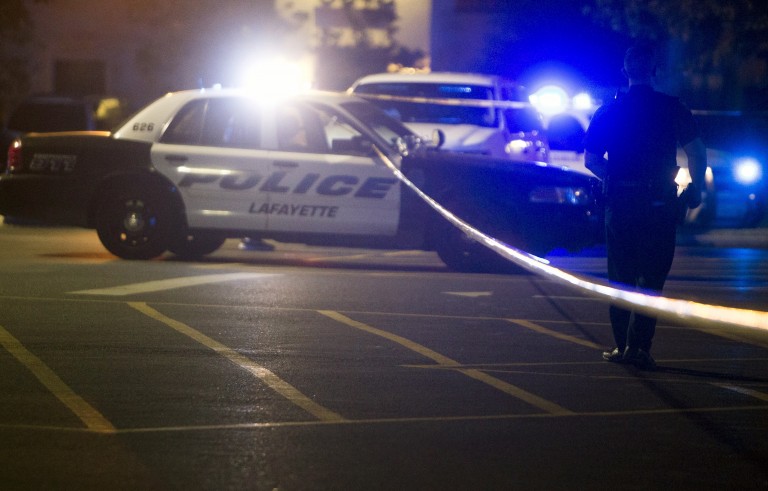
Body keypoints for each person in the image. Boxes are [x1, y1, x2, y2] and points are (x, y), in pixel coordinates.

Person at [583, 42, 707, 370]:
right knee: (652, 277)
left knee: (620, 276)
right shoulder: (672, 107)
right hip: (659, 203)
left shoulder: (609, 110)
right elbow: (696, 151)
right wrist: (695, 187)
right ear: (654, 71)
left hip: (621, 202)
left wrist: (615, 176)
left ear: (625, 72)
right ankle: (641, 348)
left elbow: (592, 159)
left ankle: (622, 345)